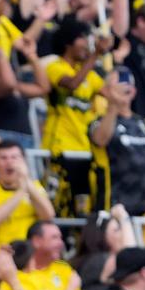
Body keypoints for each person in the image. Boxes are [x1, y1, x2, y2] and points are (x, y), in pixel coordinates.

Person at [43, 17, 110, 216]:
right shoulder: (55, 67)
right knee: (55, 206)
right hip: (58, 148)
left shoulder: (91, 75)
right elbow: (72, 84)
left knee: (81, 209)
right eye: (83, 40)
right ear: (68, 42)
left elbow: (111, 93)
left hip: (83, 149)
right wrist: (96, 54)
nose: (87, 46)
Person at [0, 141, 54, 282]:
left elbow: (48, 216)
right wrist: (21, 191)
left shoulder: (33, 187)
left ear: (23, 162)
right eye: (3, 158)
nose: (9, 163)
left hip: (31, 270)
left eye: (14, 157)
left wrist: (26, 183)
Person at [89, 69, 145, 216]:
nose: (124, 88)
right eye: (118, 85)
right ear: (105, 91)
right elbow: (100, 139)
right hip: (114, 208)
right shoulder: (98, 121)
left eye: (127, 86)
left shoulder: (142, 123)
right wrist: (113, 105)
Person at [0, 221, 85, 290]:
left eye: (60, 238)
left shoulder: (64, 269)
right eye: (54, 238)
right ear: (37, 241)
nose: (61, 243)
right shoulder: (12, 276)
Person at [72, 205, 136, 290]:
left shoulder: (100, 259)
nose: (123, 233)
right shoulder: (98, 261)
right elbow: (132, 259)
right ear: (101, 236)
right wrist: (124, 218)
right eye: (117, 230)